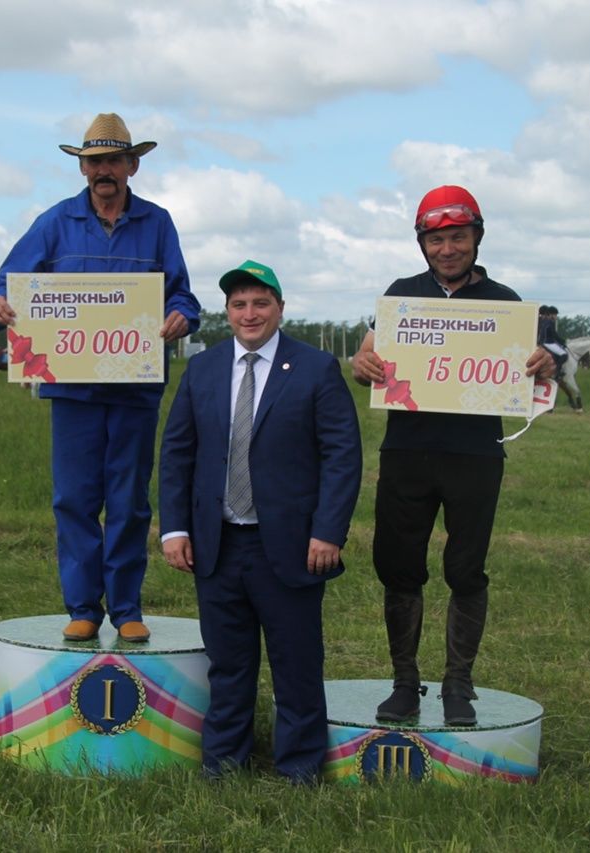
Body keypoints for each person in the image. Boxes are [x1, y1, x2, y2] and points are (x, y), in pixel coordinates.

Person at [0, 113, 200, 643]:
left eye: (113, 160)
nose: (104, 170)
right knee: (75, 499)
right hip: (72, 387)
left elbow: (184, 296)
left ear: (133, 165)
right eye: (94, 161)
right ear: (82, 167)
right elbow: (5, 283)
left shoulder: (158, 223)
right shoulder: (54, 223)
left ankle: (126, 607)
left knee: (128, 500)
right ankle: (83, 606)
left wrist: (180, 316)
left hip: (135, 388)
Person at [350, 185, 557, 727]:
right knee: (399, 567)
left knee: (465, 570)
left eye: (458, 237)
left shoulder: (506, 302)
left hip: (475, 454)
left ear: (476, 238)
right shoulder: (401, 294)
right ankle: (403, 683)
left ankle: (458, 685)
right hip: (407, 450)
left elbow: (538, 362)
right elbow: (366, 355)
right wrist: (361, 364)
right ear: (423, 243)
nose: (447, 249)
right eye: (437, 239)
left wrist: (544, 364)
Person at [160, 260, 361, 783]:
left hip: (292, 546)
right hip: (217, 543)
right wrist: (175, 528)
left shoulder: (316, 368)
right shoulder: (202, 371)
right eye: (239, 304)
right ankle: (224, 762)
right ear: (227, 312)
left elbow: (342, 455)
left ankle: (299, 766)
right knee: (228, 665)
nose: (250, 314)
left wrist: (328, 531)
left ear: (280, 308)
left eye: (260, 303)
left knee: (296, 663)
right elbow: (178, 453)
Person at [538, 305, 582, 412]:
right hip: (547, 343)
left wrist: (560, 342)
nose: (556, 317)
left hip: (547, 342)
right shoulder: (550, 322)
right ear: (552, 314)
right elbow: (554, 335)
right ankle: (558, 372)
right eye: (555, 315)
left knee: (560, 351)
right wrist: (562, 341)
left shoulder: (545, 321)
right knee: (563, 354)